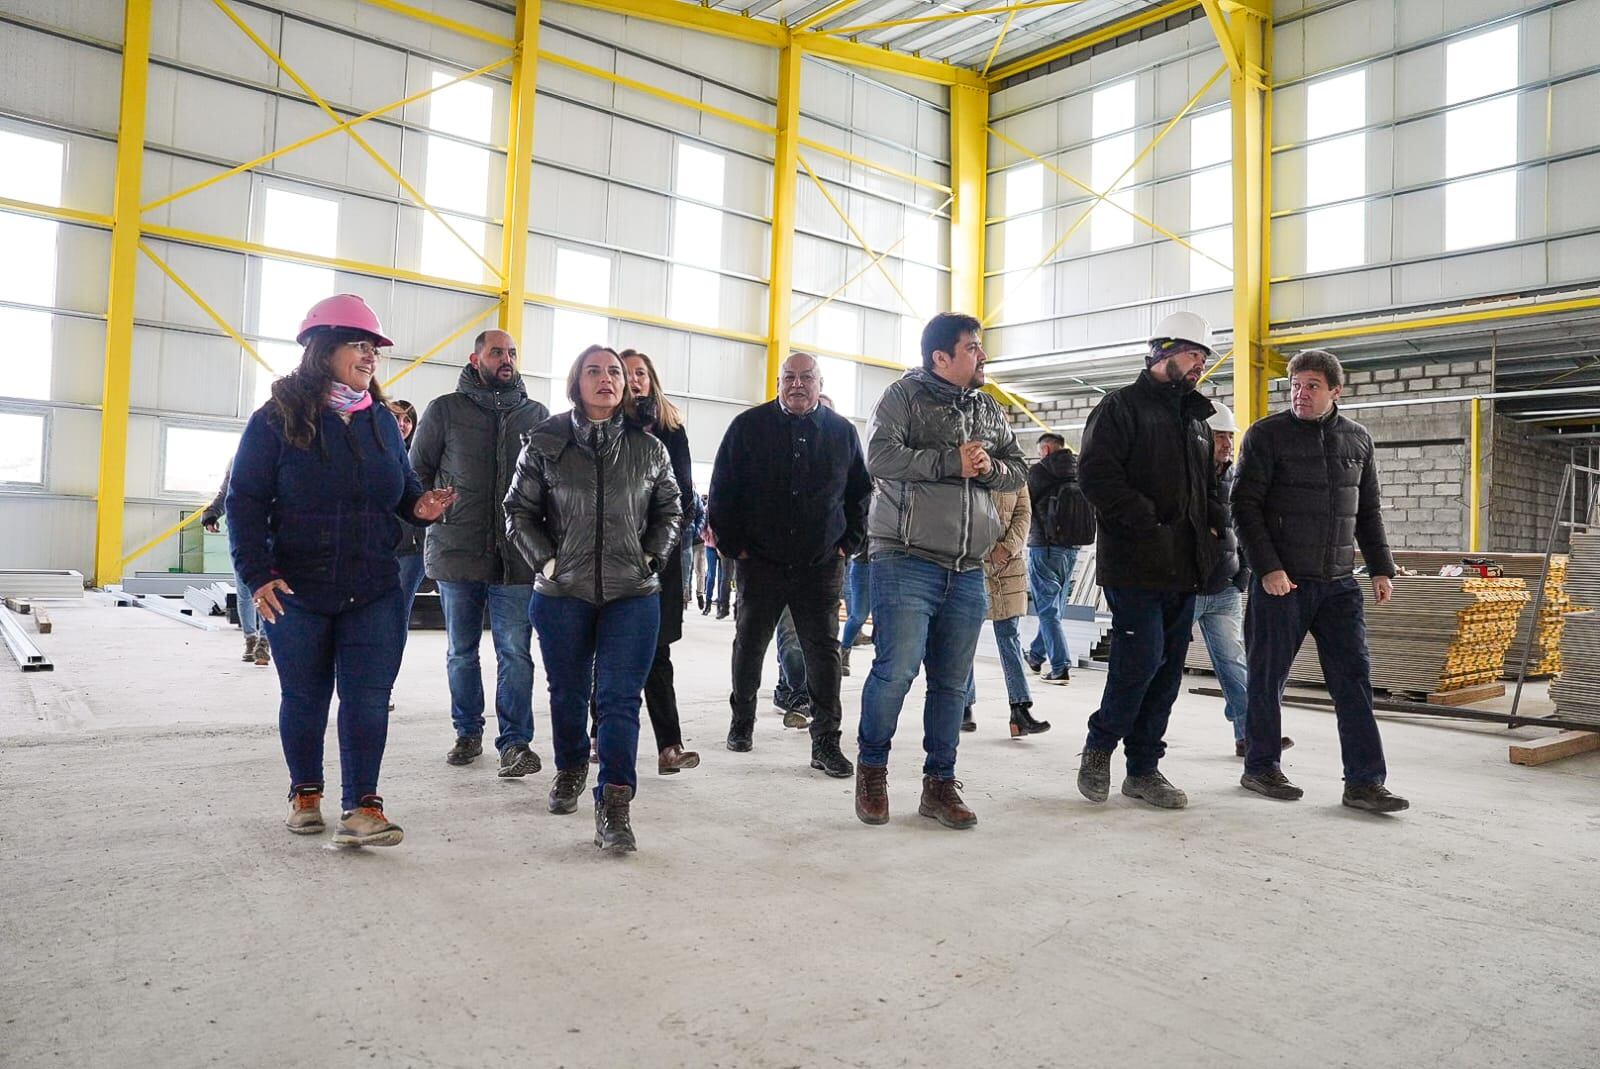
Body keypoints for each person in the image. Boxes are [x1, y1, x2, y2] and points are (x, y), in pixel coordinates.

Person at [227, 293, 455, 846]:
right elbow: (245, 500)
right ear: (322, 349)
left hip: (373, 585)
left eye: (374, 348)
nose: (371, 356)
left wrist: (419, 506)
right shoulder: (277, 418)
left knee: (368, 696)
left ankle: (363, 807)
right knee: (304, 697)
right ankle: (305, 793)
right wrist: (257, 575)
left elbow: (401, 488)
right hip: (297, 589)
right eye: (360, 345)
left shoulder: (378, 419)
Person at [504, 344, 681, 853]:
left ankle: (615, 803)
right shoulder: (544, 442)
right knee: (568, 692)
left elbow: (672, 509)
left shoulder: (650, 450)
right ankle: (570, 766)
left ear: (627, 386)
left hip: (634, 592)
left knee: (619, 700)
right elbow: (517, 509)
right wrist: (546, 561)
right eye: (594, 371)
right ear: (575, 381)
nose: (606, 379)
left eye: (616, 373)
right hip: (563, 593)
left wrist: (653, 557)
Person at [854, 313, 1027, 830]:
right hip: (906, 558)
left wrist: (992, 469)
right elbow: (880, 456)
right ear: (941, 358)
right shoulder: (902, 398)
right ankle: (873, 770)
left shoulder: (990, 410)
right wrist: (950, 461)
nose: (982, 356)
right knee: (897, 671)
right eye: (973, 348)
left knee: (952, 685)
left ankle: (939, 783)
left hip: (968, 567)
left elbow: (1018, 468)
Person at [1232, 349, 1409, 813]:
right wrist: (1267, 568)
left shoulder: (1358, 440)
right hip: (1282, 583)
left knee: (1353, 681)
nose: (1300, 393)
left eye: (1311, 385)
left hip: (1338, 585)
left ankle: (1365, 782)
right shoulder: (1266, 436)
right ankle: (1261, 766)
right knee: (1268, 679)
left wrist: (1380, 568)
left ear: (1335, 390)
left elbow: (1366, 512)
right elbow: (1243, 507)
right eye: (1294, 385)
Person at [1075, 310, 1223, 811]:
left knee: (1167, 671)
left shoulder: (1197, 420)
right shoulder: (1120, 408)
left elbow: (1209, 486)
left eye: (1204, 357)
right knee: (1139, 662)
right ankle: (1099, 748)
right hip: (1136, 562)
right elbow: (1095, 476)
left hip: (1185, 568)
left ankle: (1143, 769)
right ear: (1163, 352)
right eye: (1192, 354)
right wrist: (1146, 519)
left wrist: (1215, 526)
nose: (1200, 363)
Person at [708, 351, 871, 778]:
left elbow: (860, 493)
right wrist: (733, 544)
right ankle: (741, 723)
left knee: (823, 654)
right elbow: (722, 488)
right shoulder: (748, 427)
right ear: (779, 383)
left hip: (820, 566)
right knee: (750, 644)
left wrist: (848, 543)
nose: (797, 384)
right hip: (760, 563)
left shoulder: (841, 433)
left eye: (806, 377)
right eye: (789, 378)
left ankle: (825, 741)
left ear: (819, 382)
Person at [410, 330, 549, 777]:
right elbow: (415, 474)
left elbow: (552, 485)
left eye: (511, 352)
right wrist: (435, 507)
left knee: (515, 650)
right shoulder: (444, 411)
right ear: (475, 358)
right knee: (461, 651)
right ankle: (468, 732)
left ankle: (515, 743)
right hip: (457, 549)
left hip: (517, 556)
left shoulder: (536, 415)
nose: (506, 359)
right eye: (497, 352)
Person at [1191, 400, 1293, 758]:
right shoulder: (1185, 481)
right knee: (1159, 667)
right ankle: (1141, 742)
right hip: (1185, 590)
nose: (1226, 444)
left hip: (1224, 588)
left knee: (1235, 664)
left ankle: (1251, 736)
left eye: (1229, 437)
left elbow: (1248, 528)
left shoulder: (1235, 479)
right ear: (1200, 438)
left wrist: (1243, 576)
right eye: (1219, 437)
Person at [620, 347, 700, 776]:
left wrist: (658, 547)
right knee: (609, 651)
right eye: (626, 373)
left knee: (656, 652)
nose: (634, 380)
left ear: (651, 379)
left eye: (641, 373)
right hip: (608, 556)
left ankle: (670, 745)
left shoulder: (671, 429)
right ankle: (601, 734)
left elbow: (683, 497)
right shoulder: (604, 425)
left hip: (658, 558)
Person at [963, 486, 1051, 737]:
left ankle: (1020, 709)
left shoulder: (1014, 471)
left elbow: (1024, 512)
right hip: (972, 562)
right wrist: (984, 548)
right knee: (965, 637)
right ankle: (963, 705)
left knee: (1010, 637)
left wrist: (1006, 548)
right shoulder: (971, 462)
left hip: (1009, 564)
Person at [1024, 433, 1095, 683]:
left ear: (1045, 449)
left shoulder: (1039, 472)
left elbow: (1023, 506)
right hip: (1072, 548)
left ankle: (1060, 666)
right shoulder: (1079, 470)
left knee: (1047, 610)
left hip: (1044, 547)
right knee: (1055, 609)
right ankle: (1035, 655)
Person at [201, 461, 267, 667]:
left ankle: (264, 642)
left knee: (267, 587)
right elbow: (224, 495)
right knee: (244, 588)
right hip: (239, 534)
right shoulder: (237, 461)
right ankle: (250, 639)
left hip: (268, 533)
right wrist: (211, 515)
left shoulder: (274, 458)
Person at [389, 400, 427, 625]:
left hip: (411, 549)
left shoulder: (420, 457)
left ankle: (390, 660)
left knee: (398, 612)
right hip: (378, 546)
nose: (401, 424)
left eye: (407, 419)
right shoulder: (374, 454)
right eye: (395, 418)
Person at [837, 544, 872, 676]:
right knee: (859, 615)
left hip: (891, 565)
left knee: (886, 618)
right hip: (864, 563)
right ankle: (844, 651)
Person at [702, 524, 730, 618]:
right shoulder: (707, 510)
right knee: (711, 575)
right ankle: (708, 602)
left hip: (723, 546)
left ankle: (720, 605)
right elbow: (703, 526)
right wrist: (706, 537)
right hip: (710, 546)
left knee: (722, 577)